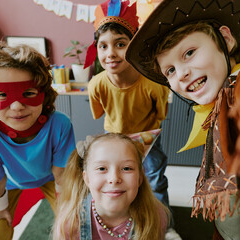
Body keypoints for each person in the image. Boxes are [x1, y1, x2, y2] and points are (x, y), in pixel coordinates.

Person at [125, 0, 240, 239]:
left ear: (225, 39)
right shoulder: (220, 102)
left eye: (189, 53)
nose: (182, 73)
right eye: (170, 71)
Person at [84, 1, 180, 237]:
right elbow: (99, 112)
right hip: (114, 139)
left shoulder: (153, 83)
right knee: (115, 181)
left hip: (149, 136)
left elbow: (161, 115)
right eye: (103, 46)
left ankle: (165, 227)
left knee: (155, 180)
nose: (110, 54)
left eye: (120, 44)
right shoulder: (96, 84)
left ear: (134, 45)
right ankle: (122, 220)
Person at [0, 41, 76, 240]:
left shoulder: (59, 124)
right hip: (9, 185)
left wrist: (67, 205)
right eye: (2, 95)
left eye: (28, 93)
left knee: (74, 226)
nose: (17, 106)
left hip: (52, 180)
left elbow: (62, 173)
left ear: (43, 91)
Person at [53, 133, 170, 240]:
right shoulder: (69, 223)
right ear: (87, 178)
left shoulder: (156, 217)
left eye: (126, 168)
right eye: (102, 168)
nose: (114, 179)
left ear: (140, 178)